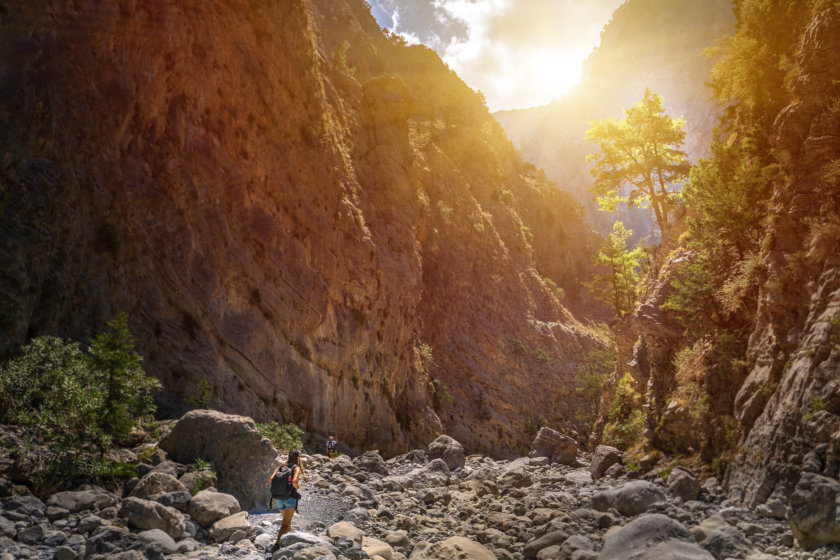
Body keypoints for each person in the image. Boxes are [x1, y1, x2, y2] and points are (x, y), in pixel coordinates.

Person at [269, 449, 303, 549]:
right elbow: (295, 481)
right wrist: (297, 486)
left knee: (287, 522)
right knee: (285, 524)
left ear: (288, 456)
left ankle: (286, 543)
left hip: (279, 499)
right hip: (290, 498)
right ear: (298, 458)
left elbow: (271, 479)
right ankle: (277, 544)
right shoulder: (296, 468)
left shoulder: (282, 466)